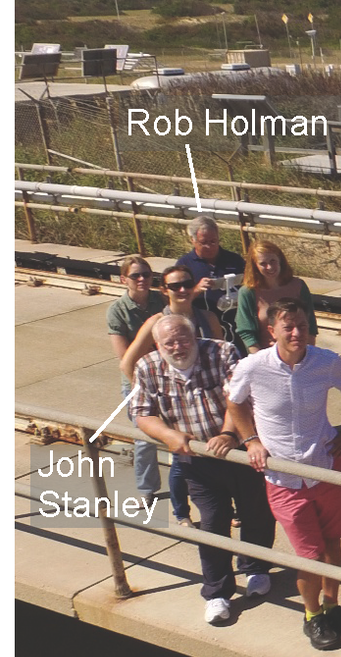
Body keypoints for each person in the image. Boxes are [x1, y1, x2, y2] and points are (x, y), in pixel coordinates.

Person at [227, 299, 341, 651]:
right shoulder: (253, 367)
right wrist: (250, 440)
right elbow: (233, 401)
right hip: (284, 479)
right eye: (288, 327)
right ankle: (312, 615)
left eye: (302, 326)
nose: (296, 333)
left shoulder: (325, 362)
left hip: (325, 467)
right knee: (310, 555)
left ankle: (333, 607)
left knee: (334, 544)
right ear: (271, 331)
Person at [129, 315, 277, 624]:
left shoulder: (221, 351)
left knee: (256, 512)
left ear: (195, 336)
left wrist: (228, 434)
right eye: (169, 342)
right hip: (195, 459)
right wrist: (170, 436)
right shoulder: (147, 367)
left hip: (238, 451)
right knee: (212, 522)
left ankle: (256, 567)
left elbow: (240, 397)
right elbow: (141, 413)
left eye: (184, 339)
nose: (178, 347)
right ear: (159, 345)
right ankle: (217, 592)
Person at [119, 264, 225, 528]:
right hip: (170, 396)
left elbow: (223, 355)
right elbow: (127, 362)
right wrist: (153, 393)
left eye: (186, 284)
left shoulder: (207, 319)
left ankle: (225, 505)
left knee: (213, 454)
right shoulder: (156, 323)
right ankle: (181, 512)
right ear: (164, 290)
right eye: (174, 286)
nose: (182, 290)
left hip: (203, 395)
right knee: (181, 455)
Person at [107, 255, 165, 510]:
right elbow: (125, 358)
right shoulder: (117, 311)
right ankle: (147, 489)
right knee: (145, 438)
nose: (142, 280)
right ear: (123, 279)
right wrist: (140, 391)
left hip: (166, 376)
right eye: (135, 276)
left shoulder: (160, 301)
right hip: (137, 381)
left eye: (147, 275)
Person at [235, 240, 318, 353]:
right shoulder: (248, 293)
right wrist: (259, 359)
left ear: (280, 260)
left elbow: (311, 324)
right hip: (267, 353)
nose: (269, 267)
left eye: (272, 261)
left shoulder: (298, 286)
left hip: (299, 352)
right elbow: (246, 332)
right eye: (263, 264)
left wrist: (309, 354)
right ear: (255, 266)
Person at [177, 215, 246, 346]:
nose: (209, 247)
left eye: (213, 241)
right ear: (192, 240)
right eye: (203, 243)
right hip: (203, 323)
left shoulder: (234, 260)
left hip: (235, 319)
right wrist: (197, 289)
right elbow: (176, 299)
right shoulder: (184, 265)